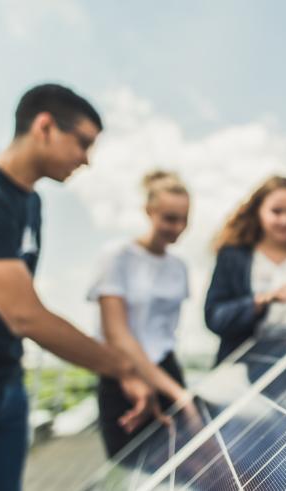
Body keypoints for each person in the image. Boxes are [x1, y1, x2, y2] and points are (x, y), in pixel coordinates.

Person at [0, 83, 158, 491]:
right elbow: (25, 315)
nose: (86, 160)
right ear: (45, 126)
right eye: (82, 143)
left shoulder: (29, 202)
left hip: (4, 388)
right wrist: (123, 368)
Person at [88, 170, 197, 458]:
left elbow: (164, 331)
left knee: (182, 461)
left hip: (166, 369)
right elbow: (116, 333)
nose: (177, 227)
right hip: (122, 376)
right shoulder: (117, 256)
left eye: (184, 219)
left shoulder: (179, 267)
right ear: (149, 211)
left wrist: (170, 387)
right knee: (132, 465)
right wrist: (177, 393)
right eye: (169, 218)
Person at [205, 176, 286, 365]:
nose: (285, 220)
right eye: (276, 211)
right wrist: (263, 300)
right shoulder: (234, 256)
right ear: (258, 212)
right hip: (243, 369)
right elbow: (215, 317)